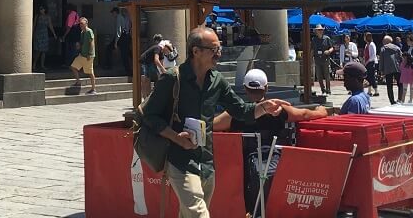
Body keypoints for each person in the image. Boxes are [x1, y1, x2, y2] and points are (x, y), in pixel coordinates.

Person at [142, 26, 283, 218]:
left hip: (206, 163)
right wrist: (176, 138)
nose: (219, 53)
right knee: (199, 214)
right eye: (214, 49)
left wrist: (264, 107)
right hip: (179, 160)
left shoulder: (217, 81)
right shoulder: (172, 78)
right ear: (196, 51)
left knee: (189, 215)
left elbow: (241, 111)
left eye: (220, 48)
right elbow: (149, 116)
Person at [213, 68, 332, 216]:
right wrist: (322, 111)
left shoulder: (235, 113)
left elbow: (212, 125)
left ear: (245, 88)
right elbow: (304, 114)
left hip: (244, 168)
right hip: (275, 161)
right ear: (266, 88)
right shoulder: (278, 108)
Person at [70, 17, 97, 94]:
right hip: (82, 55)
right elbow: (82, 43)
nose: (80, 25)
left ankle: (93, 88)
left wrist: (90, 53)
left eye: (82, 23)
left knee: (90, 72)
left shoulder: (89, 31)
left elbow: (91, 43)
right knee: (73, 66)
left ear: (86, 23)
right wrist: (79, 46)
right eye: (80, 23)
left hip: (88, 56)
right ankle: (78, 82)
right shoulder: (82, 32)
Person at [140, 34, 167, 99]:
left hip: (150, 62)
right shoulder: (158, 48)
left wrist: (163, 72)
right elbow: (156, 60)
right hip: (146, 62)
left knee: (157, 77)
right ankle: (147, 98)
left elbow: (161, 63)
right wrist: (163, 70)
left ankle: (153, 96)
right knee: (147, 79)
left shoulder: (162, 53)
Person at [310, 24, 334, 96]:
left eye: (321, 30)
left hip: (325, 59)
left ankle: (328, 90)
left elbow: (332, 47)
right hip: (317, 60)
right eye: (318, 30)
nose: (320, 31)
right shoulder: (314, 40)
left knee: (327, 76)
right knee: (319, 76)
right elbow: (312, 50)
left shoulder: (327, 38)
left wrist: (329, 51)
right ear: (316, 31)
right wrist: (310, 60)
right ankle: (322, 90)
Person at [379, 35, 403, 105]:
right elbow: (401, 58)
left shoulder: (383, 48)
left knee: (389, 86)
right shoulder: (397, 48)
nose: (382, 42)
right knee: (400, 84)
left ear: (386, 41)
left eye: (383, 40)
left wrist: (381, 70)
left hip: (387, 69)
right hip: (397, 68)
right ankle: (400, 99)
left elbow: (381, 60)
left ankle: (392, 101)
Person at [32, 4, 56, 71]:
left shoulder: (48, 17)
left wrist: (54, 33)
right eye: (40, 9)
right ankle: (34, 63)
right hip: (38, 33)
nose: (41, 10)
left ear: (45, 9)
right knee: (38, 50)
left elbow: (50, 25)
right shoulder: (37, 16)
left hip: (44, 34)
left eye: (42, 9)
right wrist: (32, 33)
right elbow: (34, 25)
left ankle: (42, 65)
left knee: (44, 51)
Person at [400, 34, 413, 104]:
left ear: (412, 41)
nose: (407, 42)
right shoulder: (410, 48)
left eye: (408, 40)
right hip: (409, 69)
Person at [363, 32, 380, 97]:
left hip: (371, 62)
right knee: (367, 77)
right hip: (367, 62)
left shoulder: (372, 44)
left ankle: (376, 91)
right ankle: (369, 91)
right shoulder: (366, 45)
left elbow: (373, 55)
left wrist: (367, 61)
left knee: (372, 77)